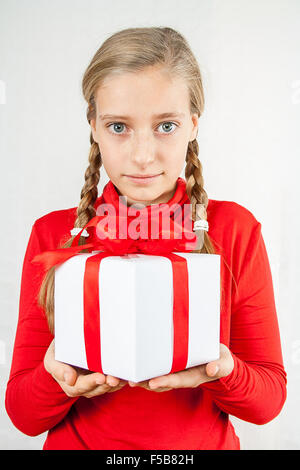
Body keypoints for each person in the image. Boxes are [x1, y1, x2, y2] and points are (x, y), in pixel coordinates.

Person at [5, 26, 287, 450]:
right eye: (119, 126)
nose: (142, 155)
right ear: (94, 128)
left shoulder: (234, 231)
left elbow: (268, 402)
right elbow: (22, 415)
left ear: (193, 124)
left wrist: (222, 371)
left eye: (166, 126)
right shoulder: (54, 234)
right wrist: (55, 378)